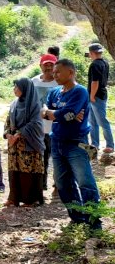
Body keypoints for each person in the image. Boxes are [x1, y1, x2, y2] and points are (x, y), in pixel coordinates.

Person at [42, 59, 102, 229]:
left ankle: (94, 222)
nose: (55, 75)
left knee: (85, 182)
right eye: (53, 72)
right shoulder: (54, 92)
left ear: (71, 72)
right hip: (57, 142)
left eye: (58, 72)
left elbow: (68, 114)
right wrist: (58, 114)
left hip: (76, 143)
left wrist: (56, 114)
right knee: (63, 184)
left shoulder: (80, 92)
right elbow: (46, 110)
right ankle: (77, 218)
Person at [3, 79, 45, 207]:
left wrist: (19, 134)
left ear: (25, 89)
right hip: (14, 145)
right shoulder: (14, 104)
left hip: (29, 144)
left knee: (28, 171)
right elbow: (8, 121)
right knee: (14, 171)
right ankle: (14, 198)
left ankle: (30, 199)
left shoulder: (35, 105)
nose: (14, 89)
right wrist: (8, 134)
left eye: (17, 87)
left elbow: (36, 124)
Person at [31, 54, 58, 189]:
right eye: (46, 64)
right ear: (40, 66)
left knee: (58, 157)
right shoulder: (33, 81)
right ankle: (42, 185)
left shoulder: (60, 82)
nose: (48, 67)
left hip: (57, 127)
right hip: (38, 127)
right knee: (41, 157)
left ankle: (58, 184)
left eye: (51, 64)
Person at [87, 42, 113, 154]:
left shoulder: (94, 65)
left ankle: (110, 145)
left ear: (92, 53)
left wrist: (92, 96)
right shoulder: (105, 63)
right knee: (92, 121)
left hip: (96, 96)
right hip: (102, 93)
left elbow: (95, 82)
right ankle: (94, 145)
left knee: (102, 121)